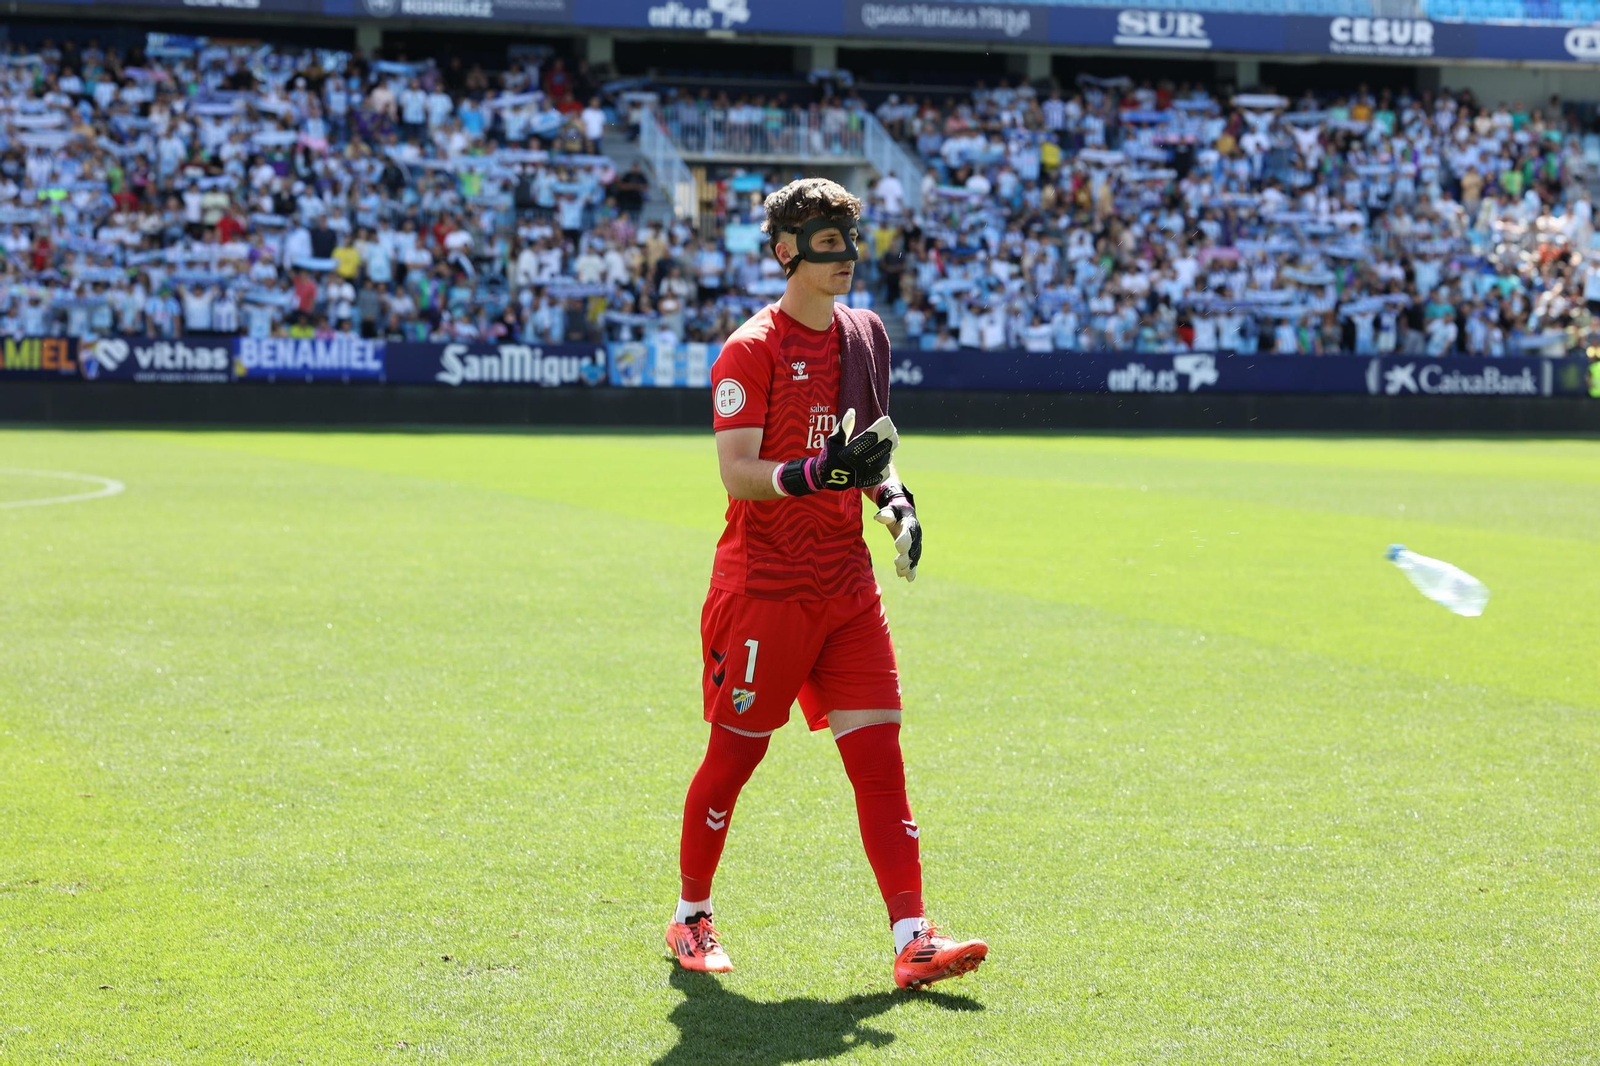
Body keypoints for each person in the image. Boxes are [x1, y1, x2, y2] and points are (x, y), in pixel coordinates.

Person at [666, 177, 989, 991]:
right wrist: (818, 472)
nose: (844, 256)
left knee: (881, 759)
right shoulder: (750, 348)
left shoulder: (866, 335)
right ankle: (690, 917)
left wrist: (896, 503)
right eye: (825, 241)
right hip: (763, 591)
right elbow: (738, 475)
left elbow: (872, 452)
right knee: (732, 762)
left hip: (846, 588)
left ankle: (914, 938)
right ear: (786, 253)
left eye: (849, 239)